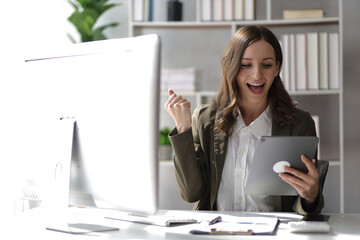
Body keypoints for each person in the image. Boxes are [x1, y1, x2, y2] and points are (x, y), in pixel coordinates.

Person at [164, 25, 323, 215]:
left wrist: (311, 195)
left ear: (277, 68)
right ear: (231, 67)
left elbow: (302, 203)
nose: (257, 75)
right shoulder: (204, 119)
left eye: (267, 65)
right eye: (246, 65)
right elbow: (191, 193)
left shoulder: (300, 124)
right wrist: (183, 129)